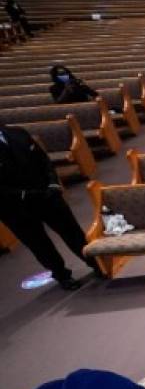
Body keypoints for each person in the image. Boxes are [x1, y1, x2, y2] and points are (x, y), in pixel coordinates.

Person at [0, 123, 102, 290]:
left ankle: (94, 262)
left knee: (72, 232)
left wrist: (53, 183)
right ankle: (62, 275)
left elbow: (43, 159)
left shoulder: (17, 132)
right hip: (15, 207)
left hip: (47, 195)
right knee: (39, 244)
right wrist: (25, 195)